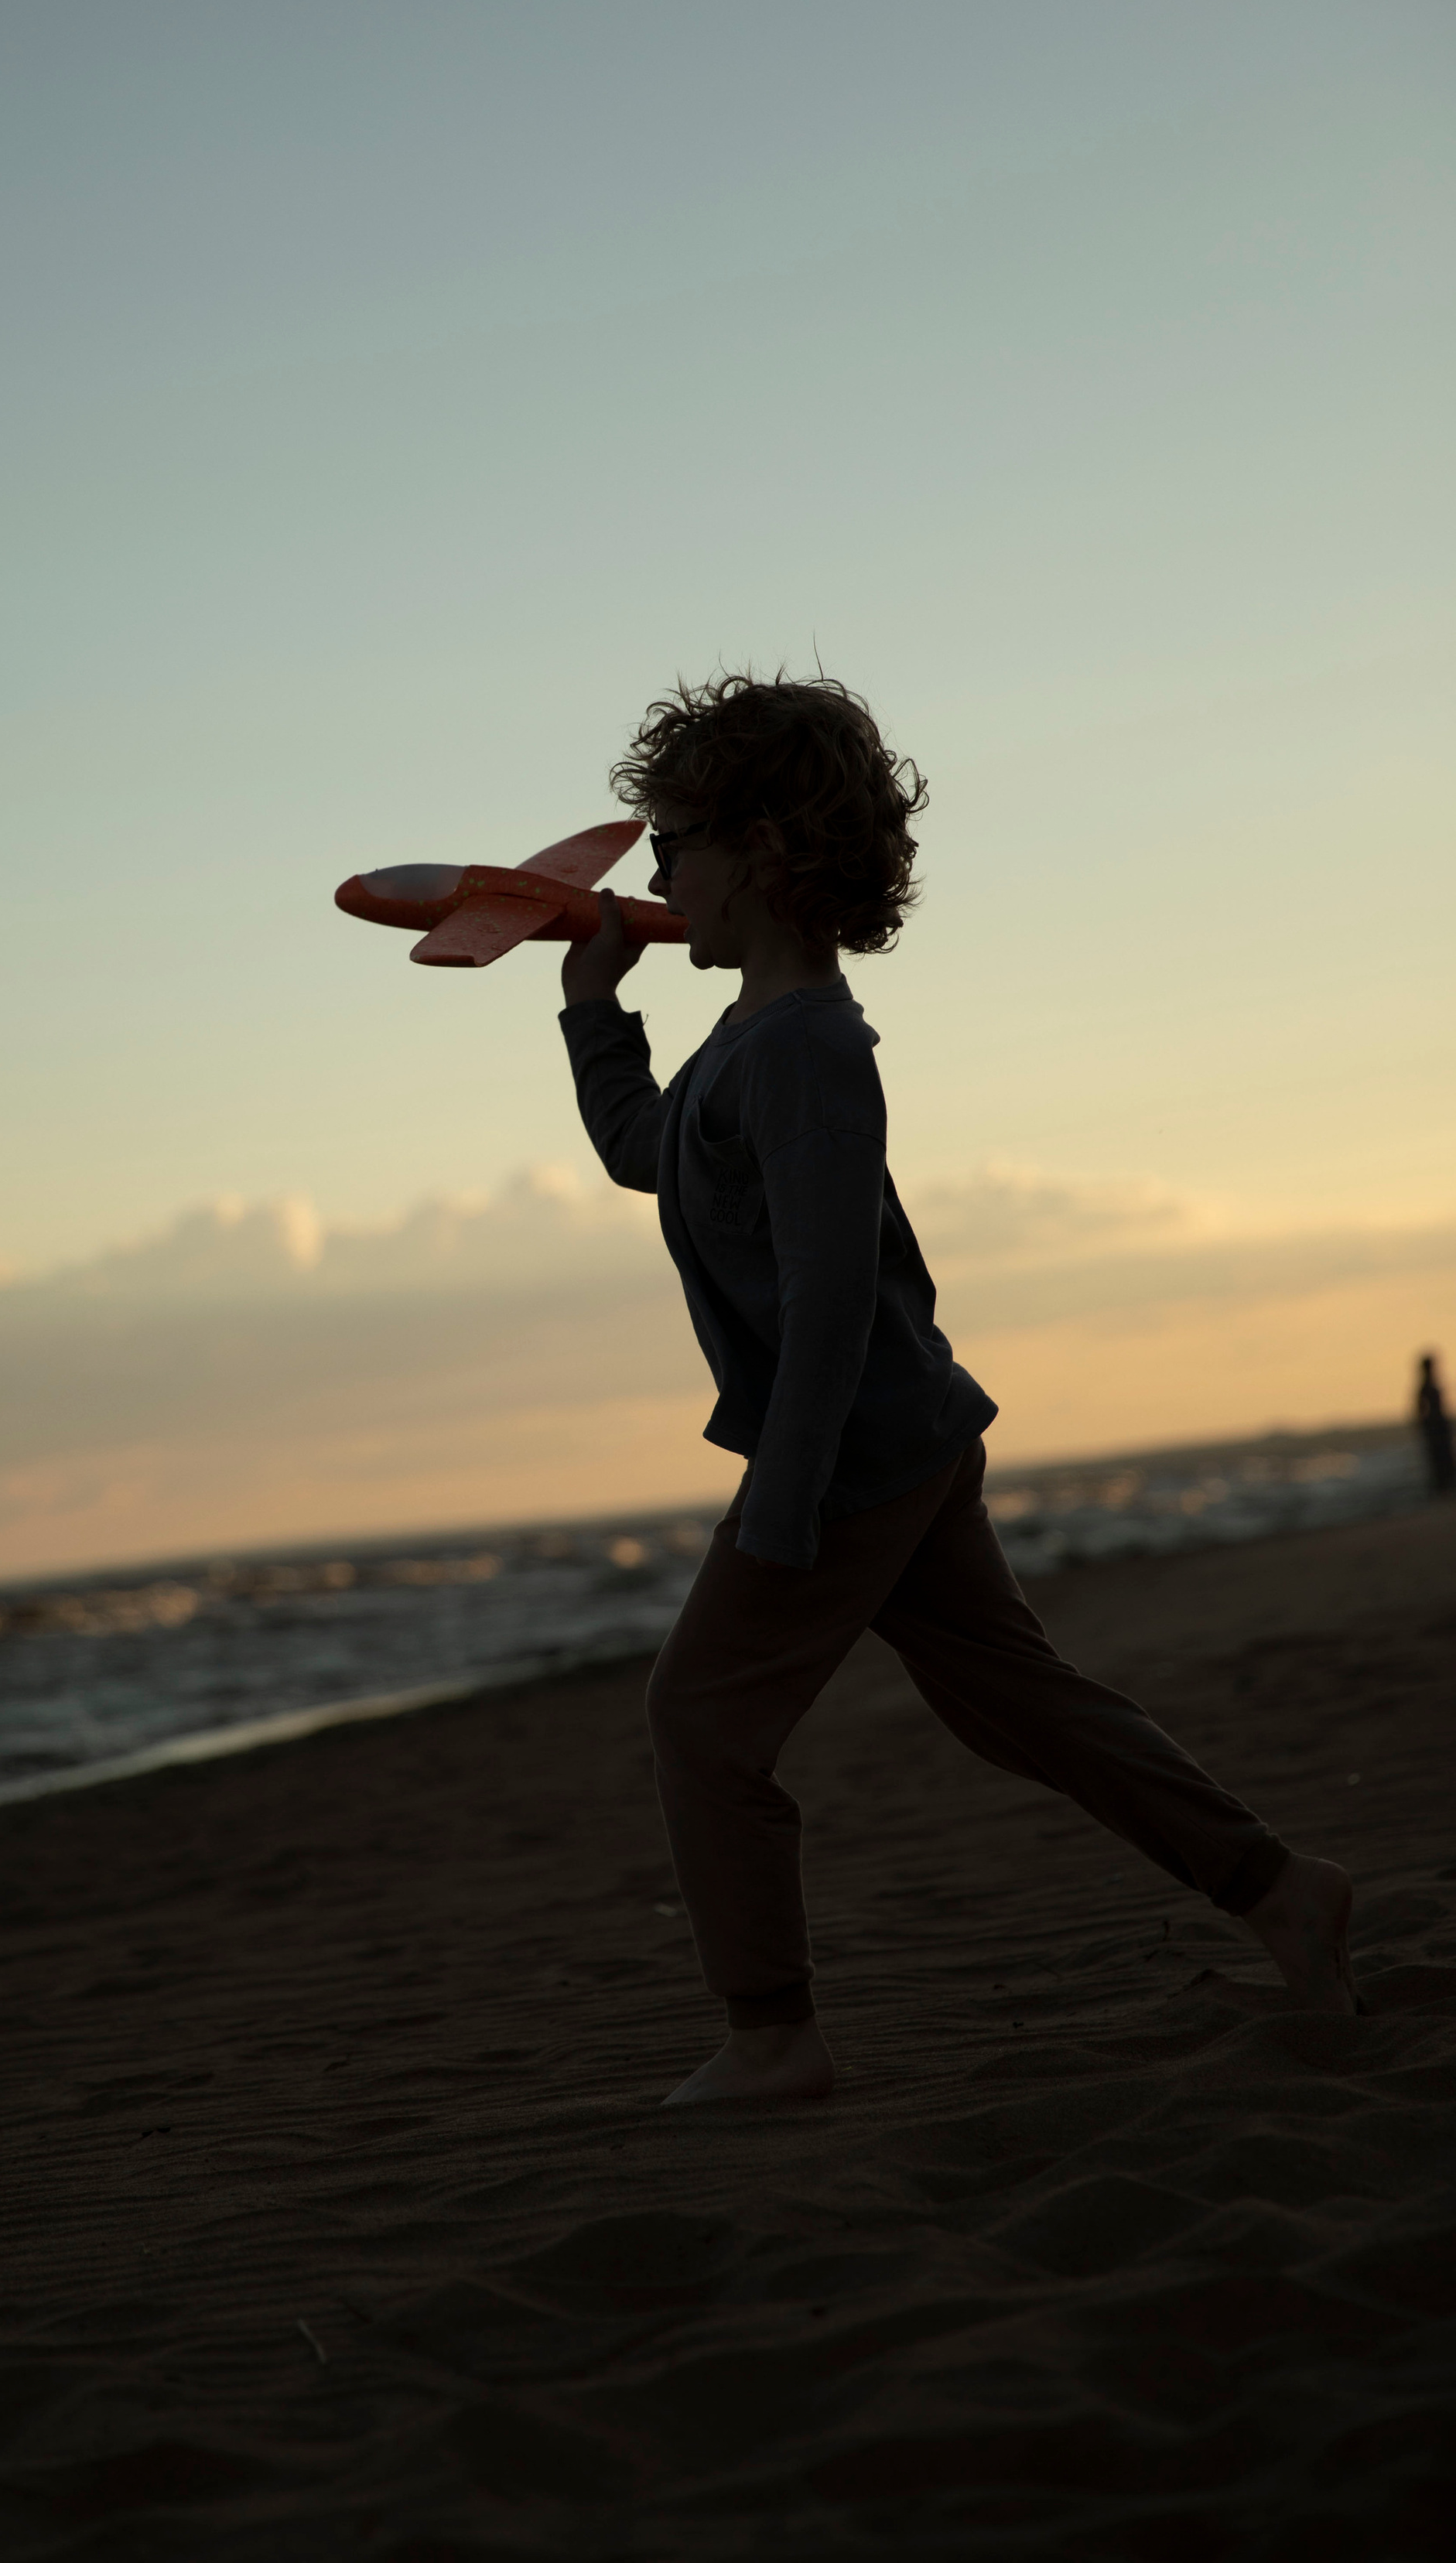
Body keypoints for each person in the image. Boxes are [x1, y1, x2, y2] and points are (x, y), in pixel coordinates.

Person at [556, 671, 1358, 2107]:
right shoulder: (748, 1041)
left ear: (767, 853)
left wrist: (787, 1503)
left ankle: (771, 2034)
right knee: (1015, 1702)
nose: (658, 871)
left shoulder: (808, 1052)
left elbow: (832, 1301)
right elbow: (644, 1153)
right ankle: (1281, 1891)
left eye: (675, 841)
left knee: (698, 1718)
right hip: (900, 1436)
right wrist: (591, 1009)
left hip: (855, 1446)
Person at [1416, 1353, 1455, 1497]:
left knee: (1443, 1456)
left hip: (1439, 1425)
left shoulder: (1431, 1384)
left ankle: (1445, 1486)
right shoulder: (1425, 1386)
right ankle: (1442, 1487)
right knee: (1439, 1457)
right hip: (1435, 1427)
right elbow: (1420, 1408)